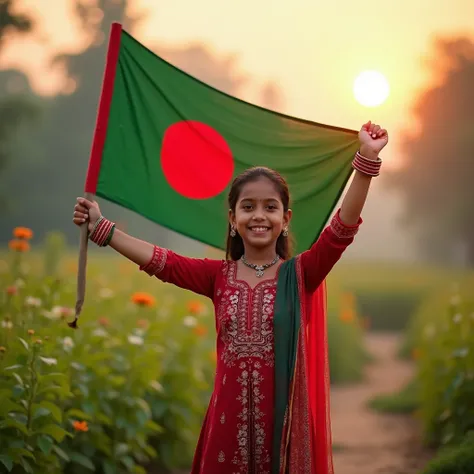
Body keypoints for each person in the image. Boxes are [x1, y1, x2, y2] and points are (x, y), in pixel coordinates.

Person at [73, 120, 388, 474]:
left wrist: (366, 160)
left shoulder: (300, 274)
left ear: (285, 220)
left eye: (270, 207)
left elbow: (341, 230)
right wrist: (103, 228)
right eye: (248, 206)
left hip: (282, 427)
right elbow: (163, 262)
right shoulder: (218, 276)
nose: (258, 216)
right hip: (227, 426)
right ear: (232, 218)